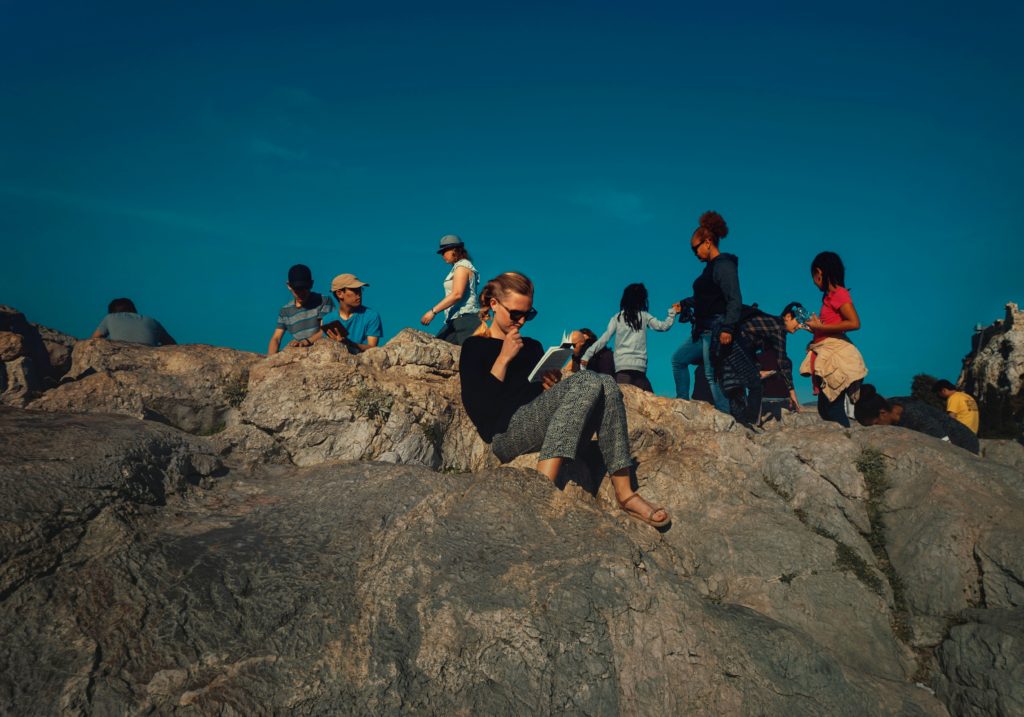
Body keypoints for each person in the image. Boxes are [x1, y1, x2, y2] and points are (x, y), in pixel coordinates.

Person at [459, 271, 670, 528]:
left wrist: (550, 386)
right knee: (589, 380)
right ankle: (543, 485)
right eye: (516, 314)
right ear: (493, 305)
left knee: (606, 383)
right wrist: (503, 358)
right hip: (505, 433)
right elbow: (481, 411)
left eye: (528, 314)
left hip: (542, 423)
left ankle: (625, 493)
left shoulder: (533, 346)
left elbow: (537, 397)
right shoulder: (474, 347)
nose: (522, 321)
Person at [671, 211, 739, 412]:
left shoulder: (724, 265)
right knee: (678, 359)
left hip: (716, 329)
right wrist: (685, 303)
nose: (695, 253)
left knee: (712, 374)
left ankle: (726, 417)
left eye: (695, 248)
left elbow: (734, 298)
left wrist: (728, 328)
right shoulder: (709, 268)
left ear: (708, 242)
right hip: (701, 331)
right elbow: (705, 298)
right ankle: (682, 406)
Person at [798, 252, 866, 427]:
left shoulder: (839, 294)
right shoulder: (830, 297)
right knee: (826, 409)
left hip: (837, 358)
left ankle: (847, 441)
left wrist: (820, 327)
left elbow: (854, 322)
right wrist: (816, 328)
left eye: (813, 276)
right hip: (830, 355)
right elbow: (836, 325)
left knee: (832, 410)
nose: (813, 282)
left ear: (819, 272)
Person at [581, 284, 675, 392]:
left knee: (622, 404)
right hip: (640, 370)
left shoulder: (617, 318)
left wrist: (587, 355)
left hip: (622, 370)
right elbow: (663, 326)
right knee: (649, 404)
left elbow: (604, 339)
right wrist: (672, 313)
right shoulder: (644, 316)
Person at [854, 384, 979, 454]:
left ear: (883, 413)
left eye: (875, 424)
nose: (874, 430)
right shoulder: (891, 405)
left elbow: (945, 445)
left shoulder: (915, 417)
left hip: (965, 445)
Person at [419, 234, 480, 346]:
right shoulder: (457, 268)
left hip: (466, 319)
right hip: (454, 320)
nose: (443, 255)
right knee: (437, 350)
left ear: (455, 249)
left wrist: (433, 311)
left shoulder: (462, 267)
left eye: (445, 251)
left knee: (470, 357)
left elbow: (457, 294)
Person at [268, 264, 334, 355]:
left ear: (311, 284)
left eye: (304, 288)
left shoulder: (323, 301)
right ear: (289, 285)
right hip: (300, 353)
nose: (300, 293)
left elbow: (326, 331)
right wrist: (270, 359)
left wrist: (306, 342)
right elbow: (276, 338)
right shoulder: (285, 311)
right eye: (296, 289)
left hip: (321, 352)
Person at [324, 273, 383, 353]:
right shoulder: (327, 319)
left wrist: (348, 343)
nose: (359, 294)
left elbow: (373, 349)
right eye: (355, 290)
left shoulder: (371, 316)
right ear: (339, 294)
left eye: (360, 290)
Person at [91, 298, 176, 346]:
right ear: (134, 310)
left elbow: (93, 340)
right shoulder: (152, 320)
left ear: (112, 312)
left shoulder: (110, 318)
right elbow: (172, 344)